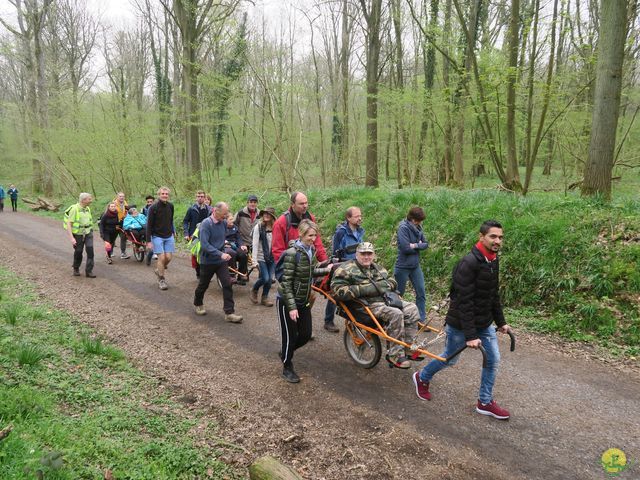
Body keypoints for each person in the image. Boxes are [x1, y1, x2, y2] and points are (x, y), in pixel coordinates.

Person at [412, 220, 513, 420]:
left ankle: (484, 402)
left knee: (493, 360)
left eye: (500, 237)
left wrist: (500, 322)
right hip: (460, 323)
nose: (497, 241)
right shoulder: (468, 263)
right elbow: (463, 302)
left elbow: (493, 295)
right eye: (493, 236)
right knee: (450, 359)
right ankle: (421, 377)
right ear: (481, 236)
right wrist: (471, 335)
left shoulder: (493, 260)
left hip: (484, 323)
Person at [331, 242, 419, 369]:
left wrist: (384, 286)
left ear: (374, 255)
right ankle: (394, 355)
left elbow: (392, 282)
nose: (366, 257)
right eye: (363, 254)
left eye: (369, 254)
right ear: (357, 254)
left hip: (386, 300)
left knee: (412, 308)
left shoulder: (378, 268)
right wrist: (369, 289)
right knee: (396, 314)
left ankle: (408, 347)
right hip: (365, 305)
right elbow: (337, 291)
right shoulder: (345, 269)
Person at [277, 219, 331, 383]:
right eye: (309, 235)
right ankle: (287, 367)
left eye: (315, 235)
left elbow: (309, 271)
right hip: (287, 301)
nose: (313, 238)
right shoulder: (292, 253)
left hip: (303, 299)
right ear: (301, 234)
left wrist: (325, 269)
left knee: (306, 334)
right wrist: (292, 307)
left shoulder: (309, 250)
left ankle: (286, 352)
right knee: (290, 336)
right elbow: (285, 282)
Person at [193, 202, 243, 323]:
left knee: (227, 284)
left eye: (227, 213)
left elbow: (233, 232)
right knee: (203, 285)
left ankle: (229, 313)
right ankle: (198, 303)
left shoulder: (223, 223)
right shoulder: (206, 224)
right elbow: (205, 245)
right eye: (224, 213)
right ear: (216, 211)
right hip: (207, 261)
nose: (226, 216)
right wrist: (221, 254)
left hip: (220, 261)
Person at [323, 206, 365, 333]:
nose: (360, 218)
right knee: (336, 294)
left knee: (356, 293)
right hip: (343, 267)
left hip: (357, 266)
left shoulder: (360, 231)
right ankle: (328, 321)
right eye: (357, 216)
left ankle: (355, 320)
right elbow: (335, 252)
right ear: (348, 218)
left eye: (360, 215)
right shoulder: (341, 232)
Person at [394, 206, 429, 322]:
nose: (420, 223)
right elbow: (405, 248)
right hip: (402, 266)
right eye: (418, 220)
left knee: (421, 293)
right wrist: (418, 245)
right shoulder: (403, 228)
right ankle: (397, 319)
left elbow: (425, 244)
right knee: (398, 295)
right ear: (413, 219)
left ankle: (420, 319)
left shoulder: (418, 227)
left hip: (415, 266)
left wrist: (414, 245)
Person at [272, 191, 328, 263]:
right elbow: (277, 251)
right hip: (290, 267)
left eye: (306, 203)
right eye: (301, 204)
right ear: (293, 204)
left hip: (308, 265)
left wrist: (325, 262)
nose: (305, 206)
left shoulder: (310, 218)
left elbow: (318, 243)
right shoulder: (281, 223)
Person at [146, 187, 175, 290]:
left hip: (168, 235)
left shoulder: (171, 206)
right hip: (157, 236)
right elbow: (148, 225)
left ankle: (159, 269)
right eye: (163, 193)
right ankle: (161, 280)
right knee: (162, 258)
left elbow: (171, 220)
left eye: (166, 194)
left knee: (169, 258)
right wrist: (148, 241)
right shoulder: (153, 208)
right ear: (159, 195)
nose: (164, 195)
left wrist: (173, 231)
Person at [250, 207, 276, 307]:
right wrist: (254, 261)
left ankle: (265, 297)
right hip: (261, 257)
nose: (266, 215)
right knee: (265, 278)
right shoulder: (259, 227)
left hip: (272, 257)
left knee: (269, 280)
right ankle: (254, 289)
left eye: (268, 214)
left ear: (272, 216)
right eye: (265, 213)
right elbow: (255, 244)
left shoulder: (276, 227)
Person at [183, 190, 212, 278]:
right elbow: (185, 221)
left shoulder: (209, 209)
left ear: (204, 197)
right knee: (195, 254)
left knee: (206, 253)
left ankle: (205, 273)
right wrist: (186, 233)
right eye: (198, 196)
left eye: (202, 196)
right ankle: (198, 272)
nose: (200, 198)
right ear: (196, 197)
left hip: (207, 234)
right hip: (194, 235)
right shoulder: (191, 209)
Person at [66, 193, 96, 278]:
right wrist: (72, 238)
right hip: (78, 234)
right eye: (89, 199)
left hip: (88, 232)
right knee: (78, 251)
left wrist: (90, 230)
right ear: (83, 200)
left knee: (90, 251)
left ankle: (89, 271)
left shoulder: (87, 208)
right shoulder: (74, 209)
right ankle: (76, 268)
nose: (91, 200)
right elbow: (69, 224)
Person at [234, 194, 260, 279]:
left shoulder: (260, 214)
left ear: (257, 203)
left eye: (255, 202)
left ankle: (262, 276)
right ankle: (242, 276)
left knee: (259, 258)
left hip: (255, 241)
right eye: (251, 202)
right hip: (243, 240)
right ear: (247, 203)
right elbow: (234, 224)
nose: (253, 204)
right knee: (243, 257)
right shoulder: (241, 212)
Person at [224, 213, 249, 285]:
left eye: (233, 219)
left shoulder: (235, 227)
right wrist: (224, 242)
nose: (233, 220)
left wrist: (242, 245)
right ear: (225, 220)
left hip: (235, 245)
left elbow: (238, 238)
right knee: (232, 253)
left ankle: (242, 275)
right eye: (231, 219)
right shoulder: (221, 227)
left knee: (243, 253)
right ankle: (232, 275)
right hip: (225, 246)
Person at [113, 192, 130, 259]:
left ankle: (123, 253)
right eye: (120, 196)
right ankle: (110, 252)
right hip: (114, 223)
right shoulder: (113, 204)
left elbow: (128, 213)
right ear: (117, 197)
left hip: (122, 223)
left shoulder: (125, 203)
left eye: (123, 196)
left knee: (123, 237)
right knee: (112, 238)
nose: (122, 197)